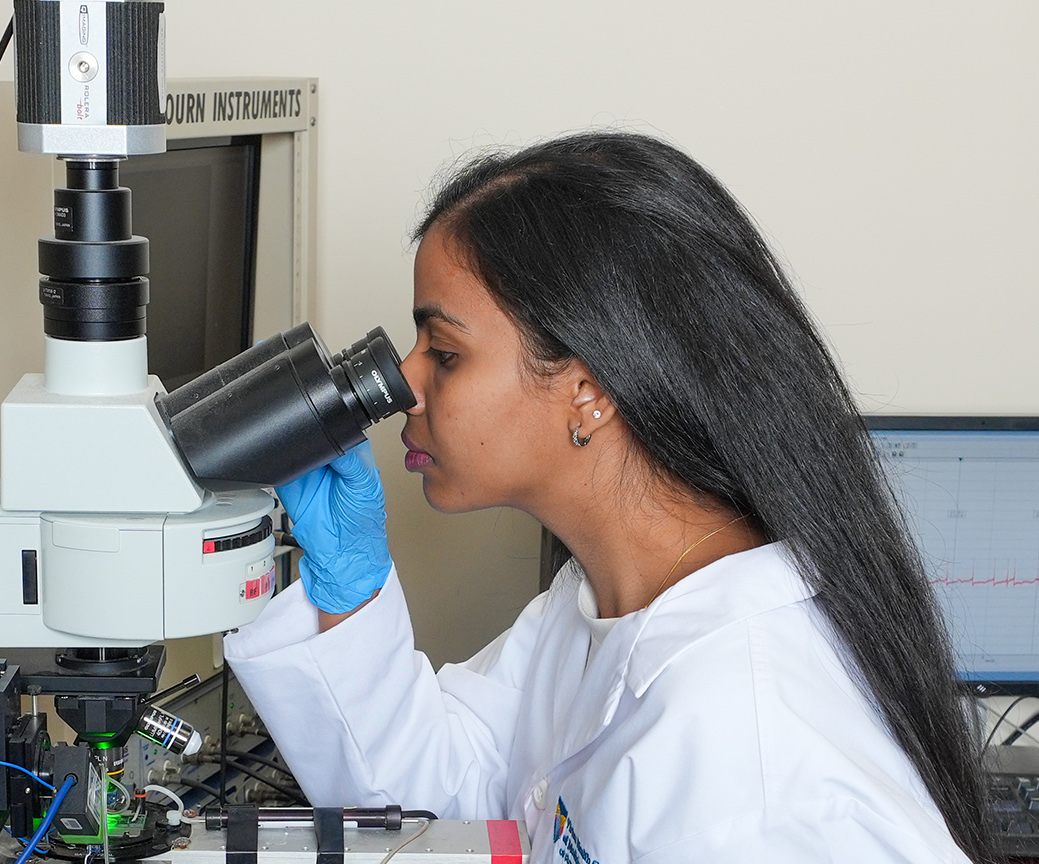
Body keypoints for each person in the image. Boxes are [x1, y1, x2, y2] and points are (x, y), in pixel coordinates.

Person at [224, 131, 998, 863]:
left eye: (446, 353)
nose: (404, 387)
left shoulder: (749, 769)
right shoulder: (607, 601)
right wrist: (347, 595)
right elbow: (454, 799)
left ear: (589, 390)